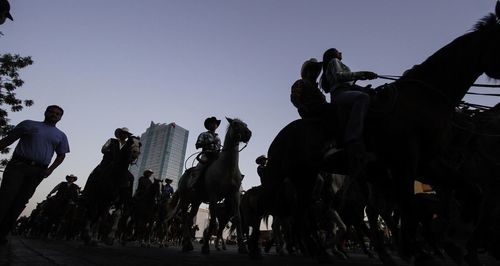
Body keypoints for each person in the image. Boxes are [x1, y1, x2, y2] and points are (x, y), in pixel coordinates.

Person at [0, 105, 70, 244]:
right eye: (52, 112)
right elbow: (9, 139)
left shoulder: (61, 135)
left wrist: (50, 169)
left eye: (57, 114)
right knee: (6, 196)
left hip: (38, 171)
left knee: (21, 200)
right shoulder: (29, 124)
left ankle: (3, 232)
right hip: (18, 166)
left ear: (60, 118)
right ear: (45, 112)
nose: (54, 115)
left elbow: (61, 155)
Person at [320, 48, 377, 176]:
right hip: (340, 94)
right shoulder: (334, 61)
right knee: (362, 98)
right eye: (337, 51)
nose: (340, 52)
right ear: (333, 54)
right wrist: (363, 74)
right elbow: (340, 77)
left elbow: (348, 84)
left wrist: (362, 88)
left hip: (345, 91)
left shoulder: (334, 63)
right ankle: (353, 139)